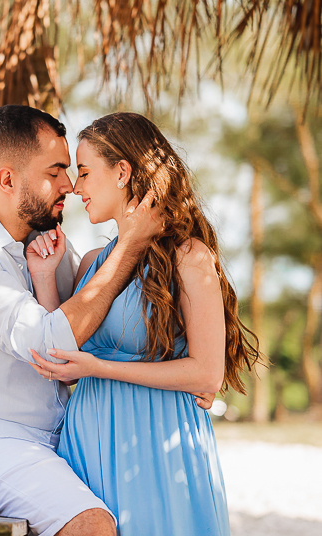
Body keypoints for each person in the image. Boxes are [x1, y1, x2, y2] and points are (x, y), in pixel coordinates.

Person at [0, 105, 168, 536]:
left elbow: (98, 328)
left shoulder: (48, 248)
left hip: (56, 441)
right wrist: (129, 247)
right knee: (91, 526)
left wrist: (192, 366)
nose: (70, 185)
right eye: (56, 171)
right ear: (8, 179)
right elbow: (52, 343)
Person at [28, 112, 260, 536]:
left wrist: (98, 368)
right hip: (89, 442)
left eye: (83, 172)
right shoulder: (91, 266)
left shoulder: (188, 258)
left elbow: (207, 372)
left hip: (158, 442)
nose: (76, 188)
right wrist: (45, 276)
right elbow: (56, 356)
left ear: (122, 172)